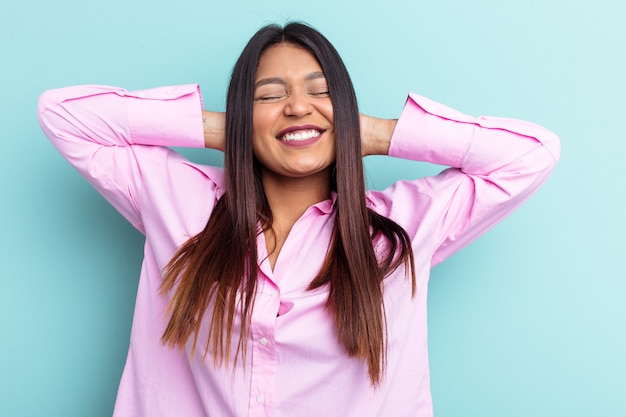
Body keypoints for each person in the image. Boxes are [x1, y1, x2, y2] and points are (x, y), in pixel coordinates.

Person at [37, 22, 560, 417]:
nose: (297, 108)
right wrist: (232, 130)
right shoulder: (176, 199)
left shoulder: (405, 225)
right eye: (269, 96)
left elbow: (532, 154)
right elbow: (62, 115)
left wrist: (369, 133)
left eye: (319, 91)